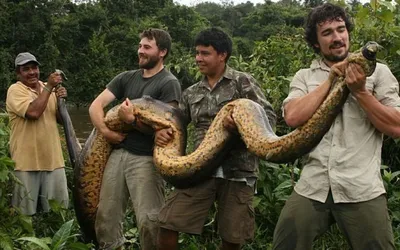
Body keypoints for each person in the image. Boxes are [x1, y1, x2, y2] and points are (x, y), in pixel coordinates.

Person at [272, 3, 400, 250]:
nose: (337, 37)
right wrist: (331, 79)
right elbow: (293, 117)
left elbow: (396, 126)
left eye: (341, 29)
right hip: (313, 184)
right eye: (327, 32)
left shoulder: (379, 73)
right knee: (284, 242)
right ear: (315, 43)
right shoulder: (304, 77)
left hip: (361, 187)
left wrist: (361, 92)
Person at [156, 27, 276, 250]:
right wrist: (164, 132)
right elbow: (178, 124)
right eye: (197, 53)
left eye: (204, 53)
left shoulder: (243, 82)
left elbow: (268, 117)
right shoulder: (191, 92)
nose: (198, 58)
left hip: (238, 170)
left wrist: (239, 126)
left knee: (232, 237)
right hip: (199, 170)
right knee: (168, 223)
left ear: (222, 55)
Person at [88, 28, 181, 250]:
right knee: (106, 217)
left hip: (146, 159)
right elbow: (96, 106)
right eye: (140, 46)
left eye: (147, 47)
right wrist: (108, 133)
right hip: (118, 153)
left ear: (162, 52)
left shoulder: (168, 83)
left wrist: (131, 122)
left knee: (149, 221)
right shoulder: (125, 78)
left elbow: (168, 131)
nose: (141, 51)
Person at [6, 52, 69, 216]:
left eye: (34, 68)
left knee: (58, 214)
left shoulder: (47, 89)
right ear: (18, 74)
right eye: (26, 69)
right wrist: (49, 88)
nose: (32, 72)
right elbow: (33, 112)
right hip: (25, 163)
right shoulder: (15, 90)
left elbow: (61, 121)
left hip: (53, 160)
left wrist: (61, 100)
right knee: (24, 216)